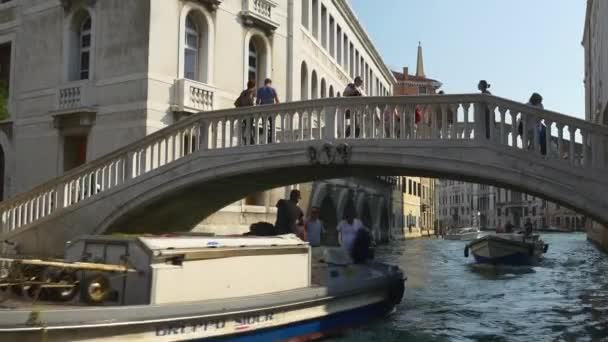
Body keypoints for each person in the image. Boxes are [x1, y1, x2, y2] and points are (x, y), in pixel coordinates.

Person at [256, 78, 279, 143]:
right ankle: (271, 139)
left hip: (263, 109)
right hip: (271, 109)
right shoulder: (273, 90)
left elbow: (257, 101)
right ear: (270, 83)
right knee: (272, 125)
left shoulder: (260, 90)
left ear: (265, 83)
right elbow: (277, 100)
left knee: (264, 125)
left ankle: (265, 139)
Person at [236, 80, 257, 145]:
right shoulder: (252, 92)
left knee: (246, 125)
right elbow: (251, 100)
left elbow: (237, 102)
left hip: (243, 112)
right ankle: (250, 140)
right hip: (249, 112)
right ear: (253, 86)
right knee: (249, 126)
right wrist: (253, 106)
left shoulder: (243, 92)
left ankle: (246, 138)